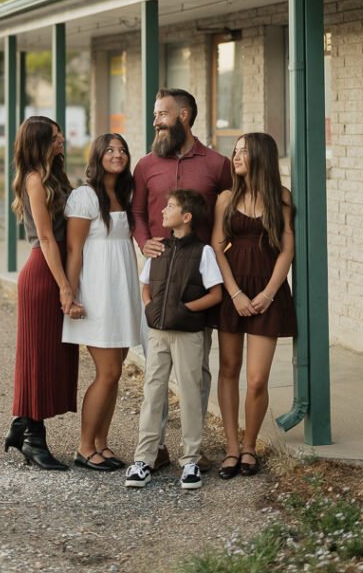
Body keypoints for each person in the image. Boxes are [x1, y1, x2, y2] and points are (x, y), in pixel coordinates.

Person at [131, 88, 232, 470]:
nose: (156, 120)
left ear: (185, 115)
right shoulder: (145, 165)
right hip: (156, 278)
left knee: (196, 370)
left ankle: (194, 448)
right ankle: (153, 451)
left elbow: (232, 211)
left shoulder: (217, 164)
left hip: (197, 277)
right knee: (154, 373)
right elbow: (137, 211)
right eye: (156, 114)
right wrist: (145, 244)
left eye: (162, 114)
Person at [209, 132, 297, 478]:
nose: (236, 155)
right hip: (235, 291)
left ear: (261, 155)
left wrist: (268, 293)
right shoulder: (226, 198)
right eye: (235, 150)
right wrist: (234, 293)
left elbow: (287, 250)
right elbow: (217, 247)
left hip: (267, 294)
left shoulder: (281, 198)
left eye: (244, 150)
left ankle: (250, 445)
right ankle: (231, 448)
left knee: (258, 379)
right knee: (229, 369)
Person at [125, 190, 223, 491]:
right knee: (153, 391)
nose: (164, 211)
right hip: (158, 333)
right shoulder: (159, 248)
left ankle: (191, 460)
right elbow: (145, 284)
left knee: (191, 394)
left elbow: (215, 294)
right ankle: (143, 460)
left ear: (187, 217)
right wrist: (150, 307)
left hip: (189, 335)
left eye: (170, 207)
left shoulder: (203, 252)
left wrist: (184, 310)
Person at [4, 116, 81, 471]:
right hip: (44, 274)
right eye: (54, 136)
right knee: (38, 357)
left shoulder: (54, 176)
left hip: (56, 269)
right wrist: (65, 286)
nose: (61, 138)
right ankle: (34, 440)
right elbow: (47, 238)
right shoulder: (34, 180)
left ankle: (23, 424)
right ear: (38, 142)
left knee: (54, 356)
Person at [62, 133, 142, 471]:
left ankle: (101, 444)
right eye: (109, 149)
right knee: (107, 372)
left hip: (121, 292)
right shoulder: (85, 196)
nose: (117, 154)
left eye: (122, 149)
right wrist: (70, 294)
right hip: (96, 294)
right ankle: (84, 447)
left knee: (115, 372)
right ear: (97, 155)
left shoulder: (123, 193)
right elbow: (74, 249)